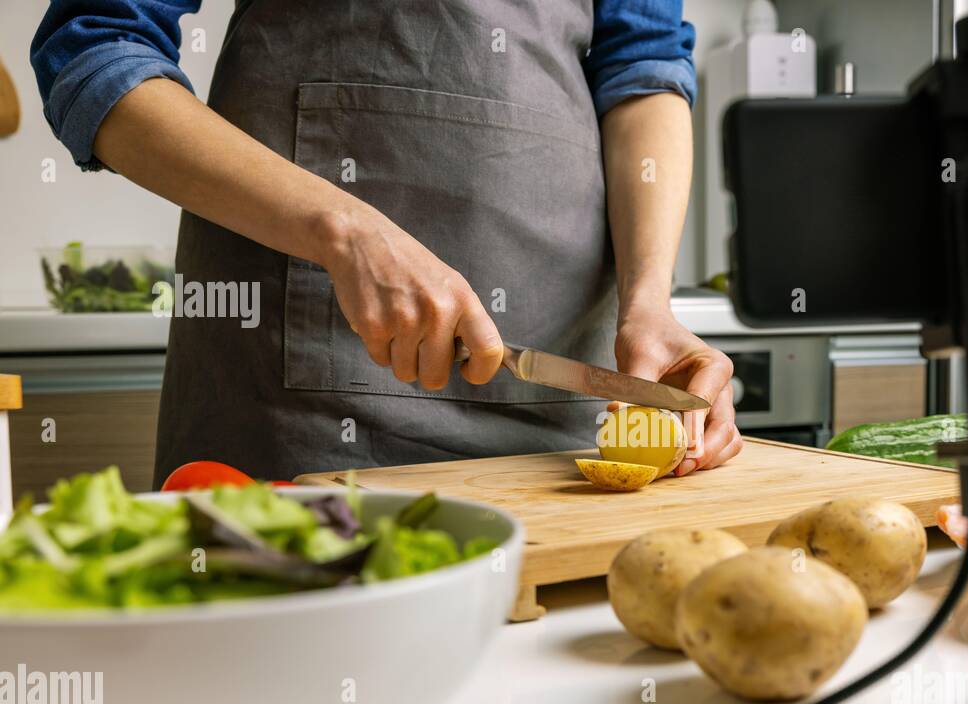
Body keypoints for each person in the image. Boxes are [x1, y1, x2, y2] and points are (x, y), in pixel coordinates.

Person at [31, 0, 742, 485]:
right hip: (295, 403)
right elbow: (95, 49)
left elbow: (642, 67)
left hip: (560, 422)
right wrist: (344, 232)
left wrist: (647, 302)